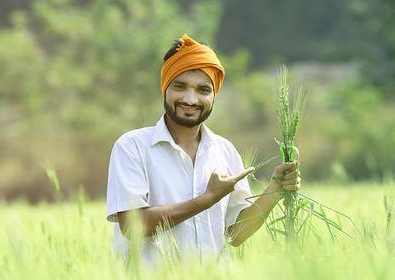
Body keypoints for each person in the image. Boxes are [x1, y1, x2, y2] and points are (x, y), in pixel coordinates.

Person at [106, 34, 300, 263]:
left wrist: (274, 192)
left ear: (214, 95)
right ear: (165, 88)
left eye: (203, 90)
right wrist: (207, 198)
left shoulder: (225, 151)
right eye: (180, 86)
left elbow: (235, 234)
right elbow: (133, 225)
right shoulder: (132, 147)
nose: (191, 99)